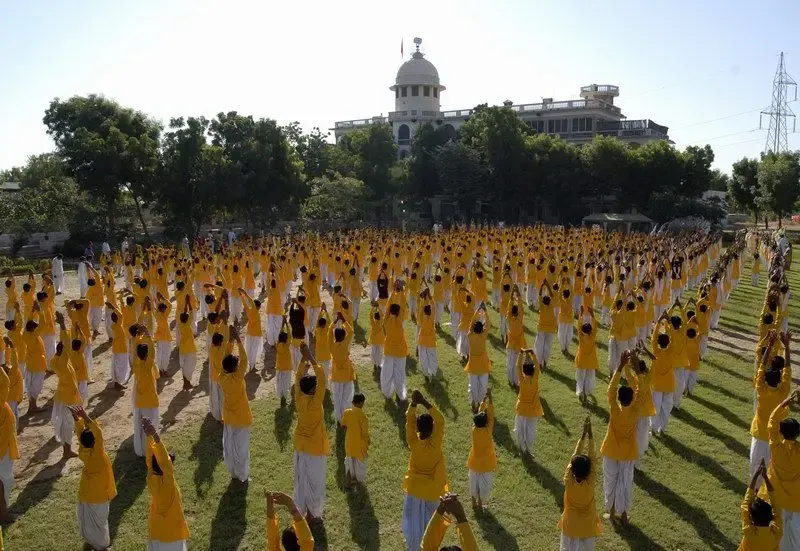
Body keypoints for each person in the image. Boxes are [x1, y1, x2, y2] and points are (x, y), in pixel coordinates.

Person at [402, 390, 448, 551]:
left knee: (413, 521)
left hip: (414, 488)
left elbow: (409, 423)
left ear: (419, 429)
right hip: (433, 490)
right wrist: (424, 402)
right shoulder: (435, 444)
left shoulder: (413, 442)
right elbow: (441, 420)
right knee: (430, 522)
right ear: (432, 429)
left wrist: (413, 404)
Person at [601, 351, 640, 525]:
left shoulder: (615, 410)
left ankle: (610, 511)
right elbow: (642, 388)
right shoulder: (635, 410)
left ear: (618, 399)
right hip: (627, 452)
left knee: (610, 479)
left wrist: (620, 367)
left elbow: (611, 391)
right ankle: (623, 515)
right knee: (625, 482)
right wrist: (634, 368)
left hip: (611, 450)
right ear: (632, 398)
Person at [293, 343, 329, 522]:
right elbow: (322, 378)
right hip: (315, 447)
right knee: (315, 482)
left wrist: (303, 359)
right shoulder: (315, 403)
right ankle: (314, 514)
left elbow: (298, 377)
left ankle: (304, 510)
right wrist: (310, 356)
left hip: (301, 445)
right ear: (314, 390)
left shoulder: (299, 398)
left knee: (302, 480)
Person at [71, 406, 116, 551]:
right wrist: (84, 416)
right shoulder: (98, 454)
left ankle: (90, 542)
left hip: (86, 493)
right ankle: (101, 547)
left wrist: (77, 419)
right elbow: (98, 432)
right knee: (100, 523)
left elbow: (81, 435)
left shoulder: (84, 451)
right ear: (95, 442)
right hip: (100, 495)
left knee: (90, 524)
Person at [750, 332, 792, 484]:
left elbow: (762, 365)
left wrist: (770, 344)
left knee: (754, 466)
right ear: (780, 378)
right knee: (771, 467)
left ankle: (754, 488)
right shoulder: (783, 392)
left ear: (765, 379)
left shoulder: (761, 390)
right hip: (776, 436)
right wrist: (786, 346)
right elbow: (787, 368)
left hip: (759, 432)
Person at [142, 417, 189, 550]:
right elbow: (164, 463)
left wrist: (149, 436)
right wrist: (155, 435)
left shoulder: (151, 476)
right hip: (172, 531)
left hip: (157, 528)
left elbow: (150, 459)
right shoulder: (168, 481)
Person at [558, 417, 602, 551]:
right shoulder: (590, 483)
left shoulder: (568, 481)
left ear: (572, 469)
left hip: (570, 525)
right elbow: (593, 460)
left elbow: (574, 456)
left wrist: (583, 435)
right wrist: (591, 436)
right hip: (587, 527)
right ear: (589, 471)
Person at [766, 390, 800, 550]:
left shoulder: (775, 447)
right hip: (796, 500)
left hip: (777, 497)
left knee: (777, 531)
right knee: (794, 537)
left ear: (780, 432)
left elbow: (771, 422)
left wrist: (783, 404)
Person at [218, 327, 251, 482]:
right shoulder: (238, 378)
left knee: (231, 446)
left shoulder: (222, 377)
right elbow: (244, 359)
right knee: (242, 449)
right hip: (242, 418)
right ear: (235, 368)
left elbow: (225, 359)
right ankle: (242, 475)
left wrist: (230, 342)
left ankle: (233, 472)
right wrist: (238, 340)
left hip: (230, 417)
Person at [51, 314, 81, 460]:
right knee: (67, 424)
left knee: (66, 423)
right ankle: (67, 451)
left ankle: (66, 449)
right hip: (67, 397)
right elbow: (67, 344)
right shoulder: (62, 362)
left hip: (63, 395)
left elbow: (65, 345)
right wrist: (62, 325)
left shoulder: (56, 361)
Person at [131, 327, 160, 457]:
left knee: (140, 426)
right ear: (147, 355)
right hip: (149, 400)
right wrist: (147, 335)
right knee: (151, 425)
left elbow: (135, 349)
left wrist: (138, 337)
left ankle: (141, 450)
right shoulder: (147, 366)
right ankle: (150, 449)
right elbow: (153, 353)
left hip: (139, 400)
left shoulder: (135, 363)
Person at [739, 459, 782, 549]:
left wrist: (756, 475)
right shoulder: (776, 532)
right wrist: (766, 478)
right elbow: (777, 508)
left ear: (752, 517)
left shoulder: (749, 531)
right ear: (771, 516)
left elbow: (745, 506)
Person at [467, 389, 496, 510]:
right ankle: (480, 502)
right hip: (486, 464)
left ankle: (474, 502)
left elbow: (480, 414)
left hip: (474, 462)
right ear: (485, 423)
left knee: (473, 482)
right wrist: (489, 398)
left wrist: (483, 400)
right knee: (484, 485)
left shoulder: (474, 430)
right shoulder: (488, 431)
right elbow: (490, 416)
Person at [514, 349, 543, 456]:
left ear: (523, 371)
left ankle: (522, 447)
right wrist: (532, 353)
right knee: (530, 430)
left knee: (520, 428)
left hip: (521, 408)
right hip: (533, 409)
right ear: (533, 371)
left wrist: (521, 354)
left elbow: (517, 367)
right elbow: (538, 366)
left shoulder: (521, 380)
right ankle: (529, 448)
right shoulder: (534, 380)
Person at [382, 291, 409, 402]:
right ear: (399, 313)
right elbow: (402, 306)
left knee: (387, 372)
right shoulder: (400, 321)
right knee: (400, 373)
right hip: (401, 351)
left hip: (389, 350)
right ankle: (400, 393)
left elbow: (388, 308)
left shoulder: (386, 322)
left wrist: (393, 293)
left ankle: (387, 392)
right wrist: (401, 292)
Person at [464, 304, 491, 412]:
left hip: (473, 366)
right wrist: (485, 312)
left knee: (472, 386)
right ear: (482, 329)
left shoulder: (470, 336)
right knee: (483, 386)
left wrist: (477, 311)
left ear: (474, 329)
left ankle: (474, 403)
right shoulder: (483, 336)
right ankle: (480, 403)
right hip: (483, 365)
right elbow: (488, 324)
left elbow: (471, 323)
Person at [330, 313, 356, 423]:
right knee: (347, 397)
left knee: (337, 399)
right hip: (347, 375)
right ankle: (345, 418)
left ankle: (339, 418)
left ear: (335, 336)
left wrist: (335, 322)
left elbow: (328, 335)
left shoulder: (331, 345)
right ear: (344, 336)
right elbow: (351, 332)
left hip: (336, 376)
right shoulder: (345, 343)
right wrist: (344, 320)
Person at [340, 393, 370, 488]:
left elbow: (343, 425)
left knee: (350, 461)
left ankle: (350, 480)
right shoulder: (362, 415)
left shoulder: (347, 412)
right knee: (360, 463)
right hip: (360, 444)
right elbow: (364, 432)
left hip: (349, 443)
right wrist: (368, 441)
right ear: (361, 403)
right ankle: (358, 481)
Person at [574, 306, 599, 402]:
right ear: (590, 331)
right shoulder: (592, 336)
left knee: (580, 378)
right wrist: (592, 313)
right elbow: (595, 325)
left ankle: (580, 391)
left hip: (581, 360)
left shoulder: (580, 336)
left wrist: (581, 313)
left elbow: (579, 326)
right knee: (589, 378)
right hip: (591, 361)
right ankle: (586, 392)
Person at [239, 288, 263, 372]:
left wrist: (241, 295)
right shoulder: (254, 311)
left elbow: (244, 303)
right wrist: (244, 293)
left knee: (250, 349)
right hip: (256, 333)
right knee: (254, 350)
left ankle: (251, 365)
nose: (260, 308)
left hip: (249, 332)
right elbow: (250, 301)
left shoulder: (248, 310)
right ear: (257, 306)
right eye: (259, 306)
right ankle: (252, 366)